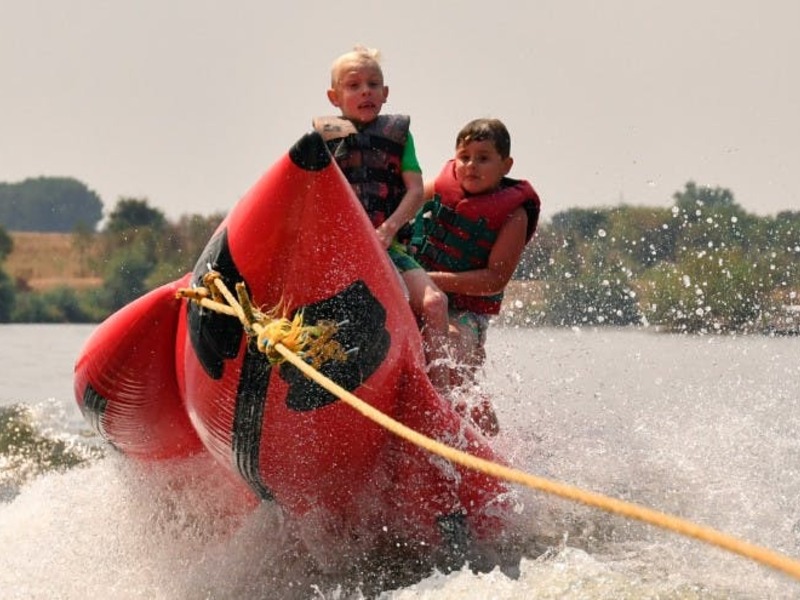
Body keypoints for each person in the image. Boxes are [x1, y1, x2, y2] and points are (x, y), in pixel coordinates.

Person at [312, 45, 450, 388]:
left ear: (385, 93)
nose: (366, 92)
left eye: (373, 85)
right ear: (334, 97)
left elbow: (415, 191)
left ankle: (441, 396)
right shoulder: (320, 141)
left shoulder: (399, 137)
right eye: (354, 85)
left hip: (388, 248)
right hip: (339, 256)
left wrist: (388, 230)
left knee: (435, 303)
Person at [411, 118, 541, 434]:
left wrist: (427, 279)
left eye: (483, 158)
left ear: (505, 165)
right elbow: (400, 209)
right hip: (414, 294)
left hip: (465, 313)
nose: (471, 165)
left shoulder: (514, 215)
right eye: (464, 157)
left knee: (451, 354)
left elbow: (494, 280)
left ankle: (488, 444)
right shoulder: (438, 190)